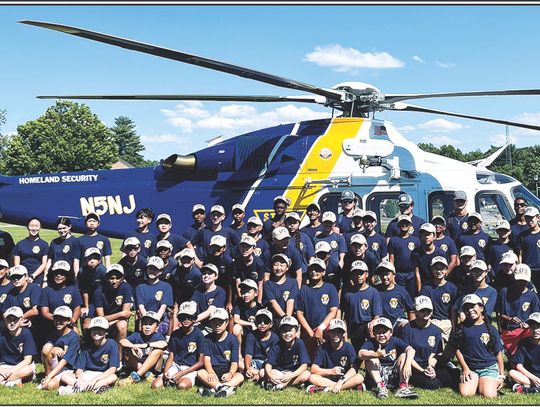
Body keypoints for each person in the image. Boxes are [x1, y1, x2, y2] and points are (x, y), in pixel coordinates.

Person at [445, 294, 505, 399]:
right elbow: (457, 349)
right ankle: (474, 380)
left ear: (481, 308)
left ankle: (483, 382)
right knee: (466, 393)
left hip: (488, 367)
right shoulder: (461, 328)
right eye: (466, 308)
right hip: (470, 368)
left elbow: (498, 353)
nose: (470, 310)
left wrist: (501, 376)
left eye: (473, 306)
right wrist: (465, 368)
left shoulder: (491, 329)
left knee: (489, 395)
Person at [399, 296, 456, 390]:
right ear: (416, 312)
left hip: (428, 364)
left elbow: (435, 354)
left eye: (428, 310)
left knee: (449, 378)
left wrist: (430, 367)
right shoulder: (407, 328)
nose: (426, 313)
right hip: (413, 365)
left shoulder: (436, 330)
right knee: (433, 384)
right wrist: (422, 371)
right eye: (422, 310)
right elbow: (405, 354)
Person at [151, 301, 205, 391]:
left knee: (182, 386)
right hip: (175, 365)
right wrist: (166, 371)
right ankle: (171, 378)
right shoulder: (175, 334)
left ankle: (180, 379)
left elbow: (200, 362)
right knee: (155, 385)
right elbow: (171, 355)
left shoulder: (199, 335)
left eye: (190, 317)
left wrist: (182, 373)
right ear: (179, 318)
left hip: (190, 368)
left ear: (194, 319)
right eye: (183, 317)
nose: (186, 320)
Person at [58, 316, 119, 395]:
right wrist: (80, 379)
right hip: (87, 374)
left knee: (113, 377)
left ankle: (77, 389)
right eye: (94, 330)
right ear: (90, 332)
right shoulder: (86, 346)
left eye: (100, 330)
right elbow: (79, 369)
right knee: (64, 376)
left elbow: (112, 369)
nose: (96, 332)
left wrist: (93, 380)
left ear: (106, 332)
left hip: (101, 375)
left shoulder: (112, 344)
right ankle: (93, 388)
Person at [358, 317, 417, 399]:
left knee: (404, 355)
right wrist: (376, 355)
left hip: (393, 373)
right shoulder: (371, 342)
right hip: (378, 374)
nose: (381, 334)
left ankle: (402, 387)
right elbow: (360, 354)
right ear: (373, 333)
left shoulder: (395, 340)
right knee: (371, 357)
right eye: (378, 332)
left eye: (384, 332)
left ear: (391, 332)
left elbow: (411, 350)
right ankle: (381, 387)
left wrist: (407, 364)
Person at [295, 258, 339, 359]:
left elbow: (333, 311)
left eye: (318, 269)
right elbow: (299, 313)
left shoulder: (330, 288)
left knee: (327, 356)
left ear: (324, 272)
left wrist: (321, 328)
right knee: (309, 359)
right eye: (312, 269)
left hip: (326, 329)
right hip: (308, 330)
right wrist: (310, 332)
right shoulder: (304, 289)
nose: (314, 272)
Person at [306, 318, 365, 394]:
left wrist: (341, 381)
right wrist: (331, 371)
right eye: (333, 331)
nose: (336, 334)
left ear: (343, 333)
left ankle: (327, 388)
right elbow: (313, 369)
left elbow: (354, 369)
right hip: (327, 378)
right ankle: (346, 387)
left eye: (339, 332)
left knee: (359, 377)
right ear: (329, 333)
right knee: (312, 377)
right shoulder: (323, 348)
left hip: (344, 379)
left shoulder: (349, 348)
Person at [197, 307, 244, 398]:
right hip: (213, 370)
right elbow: (207, 358)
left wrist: (230, 374)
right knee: (200, 373)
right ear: (210, 323)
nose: (217, 326)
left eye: (220, 322)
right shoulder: (207, 339)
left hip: (226, 369)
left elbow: (234, 362)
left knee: (240, 376)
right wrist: (210, 372)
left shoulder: (233, 339)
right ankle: (222, 388)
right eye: (214, 323)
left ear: (226, 323)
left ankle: (214, 388)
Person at [496, 263, 539, 357]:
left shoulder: (532, 297)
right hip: (508, 330)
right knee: (513, 357)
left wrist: (527, 324)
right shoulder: (505, 292)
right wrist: (510, 319)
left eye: (524, 280)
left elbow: (535, 317)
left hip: (525, 332)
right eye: (519, 280)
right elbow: (500, 314)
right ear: (515, 278)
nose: (522, 283)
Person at [341, 260, 382, 351]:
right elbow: (345, 315)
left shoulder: (373, 292)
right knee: (356, 353)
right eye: (355, 273)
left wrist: (372, 326)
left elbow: (377, 315)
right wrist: (345, 330)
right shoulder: (348, 293)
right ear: (351, 275)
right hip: (354, 327)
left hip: (368, 325)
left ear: (366, 274)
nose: (359, 276)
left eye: (361, 273)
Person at [118, 311, 168, 386]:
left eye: (150, 324)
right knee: (126, 348)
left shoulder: (158, 336)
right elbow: (122, 341)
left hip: (154, 368)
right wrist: (133, 346)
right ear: (141, 325)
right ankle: (146, 374)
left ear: (157, 327)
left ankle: (135, 377)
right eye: (145, 324)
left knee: (158, 350)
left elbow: (164, 344)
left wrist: (146, 345)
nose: (147, 327)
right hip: (138, 364)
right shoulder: (137, 335)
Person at [263, 316, 311, 391]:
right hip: (280, 372)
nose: (287, 333)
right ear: (280, 332)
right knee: (263, 372)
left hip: (293, 373)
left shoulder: (300, 343)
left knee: (306, 374)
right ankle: (294, 383)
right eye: (284, 331)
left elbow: (304, 365)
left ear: (296, 331)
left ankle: (281, 385)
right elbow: (268, 364)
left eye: (290, 330)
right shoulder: (277, 344)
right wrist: (270, 375)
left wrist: (291, 375)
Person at [39, 306, 80, 391]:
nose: (58, 322)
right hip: (56, 367)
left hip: (68, 369)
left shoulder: (74, 337)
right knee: (47, 348)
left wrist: (49, 378)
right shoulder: (53, 334)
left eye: (62, 319)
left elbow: (65, 360)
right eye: (56, 318)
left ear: (69, 321)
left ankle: (52, 379)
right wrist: (54, 348)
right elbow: (44, 353)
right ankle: (47, 375)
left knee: (49, 386)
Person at [419, 256, 459, 343]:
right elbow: (423, 309)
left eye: (442, 269)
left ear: (446, 270)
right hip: (431, 321)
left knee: (446, 353)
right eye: (436, 269)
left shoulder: (452, 288)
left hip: (447, 322)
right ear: (432, 270)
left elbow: (454, 311)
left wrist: (454, 328)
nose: (439, 271)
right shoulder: (426, 287)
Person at [93, 264, 133, 346]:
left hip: (118, 320)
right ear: (107, 278)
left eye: (117, 278)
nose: (114, 281)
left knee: (122, 325)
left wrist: (112, 322)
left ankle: (120, 356)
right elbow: (101, 318)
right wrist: (121, 314)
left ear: (122, 278)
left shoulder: (126, 288)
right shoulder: (99, 291)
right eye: (111, 278)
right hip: (106, 318)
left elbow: (126, 314)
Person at [39, 260, 82, 336]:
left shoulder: (73, 289)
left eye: (62, 273)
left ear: (68, 275)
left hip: (69, 324)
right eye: (56, 273)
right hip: (52, 325)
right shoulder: (46, 290)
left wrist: (72, 320)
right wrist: (58, 320)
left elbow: (77, 309)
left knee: (75, 332)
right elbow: (44, 312)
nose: (59, 275)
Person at [135, 256, 174, 334]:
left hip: (160, 319)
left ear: (160, 271)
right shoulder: (140, 287)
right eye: (150, 268)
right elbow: (141, 306)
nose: (152, 271)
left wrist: (155, 322)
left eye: (155, 269)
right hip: (144, 318)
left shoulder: (166, 286)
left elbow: (163, 307)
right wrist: (147, 322)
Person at [0, 306, 37, 388]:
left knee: (28, 370)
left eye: (15, 319)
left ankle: (4, 380)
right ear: (5, 321)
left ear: (21, 320)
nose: (12, 322)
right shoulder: (2, 335)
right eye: (9, 319)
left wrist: (10, 371)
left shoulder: (26, 334)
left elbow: (27, 360)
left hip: (21, 366)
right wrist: (4, 370)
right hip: (5, 366)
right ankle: (13, 381)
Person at [373, 261, 414, 331]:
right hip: (382, 323)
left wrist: (413, 328)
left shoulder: (401, 291)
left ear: (394, 275)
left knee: (405, 326)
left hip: (398, 322)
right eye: (382, 275)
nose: (384, 277)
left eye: (387, 274)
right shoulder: (375, 291)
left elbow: (411, 311)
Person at [388, 214, 421, 298]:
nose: (404, 225)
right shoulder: (393, 240)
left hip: (412, 273)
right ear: (398, 225)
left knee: (412, 296)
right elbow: (391, 259)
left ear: (410, 225)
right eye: (402, 223)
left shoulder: (416, 240)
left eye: (406, 223)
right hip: (399, 273)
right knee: (400, 295)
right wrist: (392, 274)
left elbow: (418, 260)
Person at [262, 254, 298, 326]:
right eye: (276, 265)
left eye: (282, 265)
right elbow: (273, 302)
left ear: (287, 268)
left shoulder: (293, 282)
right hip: (273, 320)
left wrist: (288, 320)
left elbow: (290, 301)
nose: (278, 268)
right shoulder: (268, 284)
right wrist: (284, 317)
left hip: (289, 318)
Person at [243, 309, 279, 383]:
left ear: (271, 324)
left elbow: (271, 359)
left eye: (266, 321)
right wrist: (248, 368)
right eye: (259, 321)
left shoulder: (275, 338)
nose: (262, 324)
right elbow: (248, 355)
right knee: (240, 363)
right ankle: (258, 375)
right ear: (256, 323)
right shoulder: (251, 335)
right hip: (254, 363)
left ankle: (260, 375)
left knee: (270, 370)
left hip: (267, 364)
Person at [190, 263, 226, 335]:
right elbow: (192, 304)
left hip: (213, 327)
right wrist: (188, 317)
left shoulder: (220, 292)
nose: (206, 275)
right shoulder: (198, 290)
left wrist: (192, 320)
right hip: (198, 324)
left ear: (216, 276)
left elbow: (210, 311)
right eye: (204, 273)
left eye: (209, 274)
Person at [509, 312, 540, 393]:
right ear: (529, 328)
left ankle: (528, 389)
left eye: (538, 327)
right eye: (533, 327)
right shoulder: (524, 342)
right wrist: (534, 378)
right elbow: (519, 365)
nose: (536, 330)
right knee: (512, 373)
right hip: (529, 376)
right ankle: (533, 387)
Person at [13, 217, 49, 287]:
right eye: (31, 226)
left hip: (38, 277)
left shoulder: (44, 244)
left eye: (36, 226)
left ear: (40, 228)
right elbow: (17, 263)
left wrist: (33, 276)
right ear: (27, 227)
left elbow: (44, 264)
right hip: (22, 276)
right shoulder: (20, 244)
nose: (34, 228)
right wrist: (23, 275)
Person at [77, 248, 107, 330]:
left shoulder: (103, 271)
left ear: (100, 260)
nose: (92, 261)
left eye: (95, 258)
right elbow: (84, 290)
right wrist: (86, 307)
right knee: (85, 318)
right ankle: (86, 339)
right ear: (85, 260)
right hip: (88, 299)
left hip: (101, 299)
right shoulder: (82, 271)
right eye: (89, 258)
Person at [232, 279, 262, 357]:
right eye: (243, 292)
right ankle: (238, 355)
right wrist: (251, 324)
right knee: (236, 328)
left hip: (255, 333)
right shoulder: (239, 303)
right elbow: (236, 319)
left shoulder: (260, 308)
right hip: (244, 332)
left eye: (248, 292)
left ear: (255, 293)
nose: (246, 295)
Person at [45, 217, 80, 284]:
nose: (62, 230)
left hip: (68, 276)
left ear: (69, 227)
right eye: (59, 229)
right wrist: (45, 277)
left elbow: (76, 261)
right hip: (55, 275)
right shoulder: (54, 242)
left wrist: (76, 277)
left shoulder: (75, 241)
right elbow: (50, 260)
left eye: (64, 228)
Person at [414, 223, 446, 292]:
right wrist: (420, 291)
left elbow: (443, 272)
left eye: (428, 234)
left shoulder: (440, 253)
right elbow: (417, 273)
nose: (426, 237)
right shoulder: (416, 253)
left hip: (437, 285)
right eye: (423, 234)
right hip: (423, 285)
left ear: (434, 236)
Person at [517, 206, 540, 289]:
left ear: (538, 218)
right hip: (528, 270)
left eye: (531, 218)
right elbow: (520, 254)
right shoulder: (522, 236)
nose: (529, 221)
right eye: (527, 218)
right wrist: (520, 268)